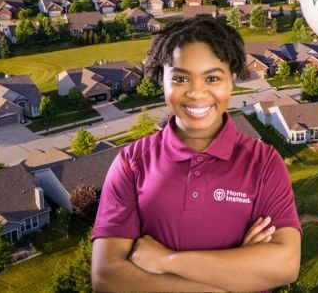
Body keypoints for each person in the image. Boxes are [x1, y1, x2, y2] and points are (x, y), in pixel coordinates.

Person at [91, 16, 301, 292]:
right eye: (180, 78)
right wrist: (238, 272)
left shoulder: (263, 162)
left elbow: (285, 265)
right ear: (161, 78)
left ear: (232, 79)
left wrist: (166, 260)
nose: (197, 93)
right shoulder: (133, 162)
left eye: (212, 78)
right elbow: (107, 278)